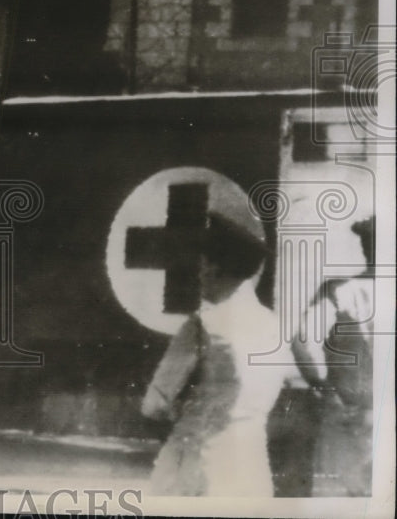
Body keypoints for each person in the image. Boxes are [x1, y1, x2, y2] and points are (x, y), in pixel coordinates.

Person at [141, 213, 289, 497]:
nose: (199, 273)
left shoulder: (202, 324)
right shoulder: (276, 326)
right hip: (252, 467)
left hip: (199, 465)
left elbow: (154, 405)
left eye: (204, 265)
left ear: (216, 269)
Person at [291, 215, 375, 496]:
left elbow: (302, 339)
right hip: (367, 415)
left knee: (353, 496)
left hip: (352, 414)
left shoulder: (340, 291)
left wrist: (324, 387)